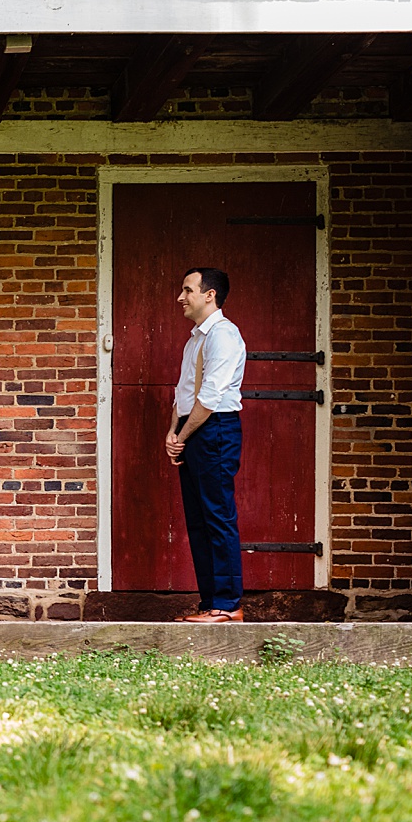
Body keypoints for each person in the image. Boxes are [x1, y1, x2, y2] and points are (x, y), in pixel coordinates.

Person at [164, 267, 247, 623]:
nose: (181, 297)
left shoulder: (224, 336)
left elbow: (210, 397)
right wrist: (173, 431)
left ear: (209, 294)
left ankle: (228, 606)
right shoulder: (195, 338)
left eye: (188, 290)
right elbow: (184, 392)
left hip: (214, 430)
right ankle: (209, 603)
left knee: (217, 516)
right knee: (198, 521)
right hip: (193, 428)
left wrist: (182, 438)